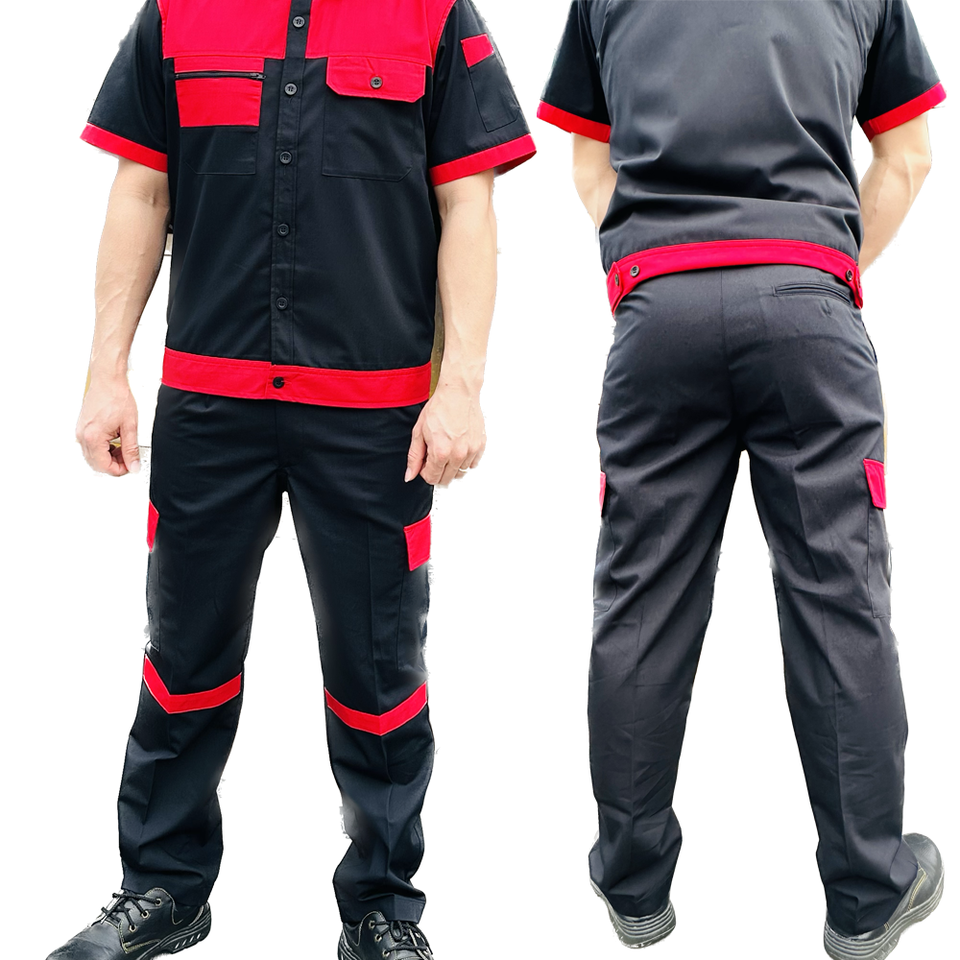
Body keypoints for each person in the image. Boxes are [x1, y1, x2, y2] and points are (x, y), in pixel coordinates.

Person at [49, 1, 534, 958]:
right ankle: (163, 888)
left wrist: (461, 388)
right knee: (182, 655)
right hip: (211, 404)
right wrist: (106, 371)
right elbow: (141, 189)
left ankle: (381, 910)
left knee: (378, 670)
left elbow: (467, 205)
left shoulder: (432, 13)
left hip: (372, 418)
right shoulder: (178, 13)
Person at [538, 2, 944, 958]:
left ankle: (634, 886)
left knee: (642, 598)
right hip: (808, 306)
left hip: (659, 312)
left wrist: (659, 264)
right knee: (839, 598)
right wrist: (818, 264)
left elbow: (590, 163)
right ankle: (866, 893)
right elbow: (908, 158)